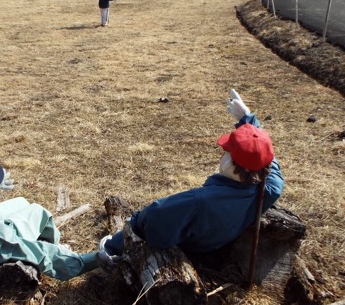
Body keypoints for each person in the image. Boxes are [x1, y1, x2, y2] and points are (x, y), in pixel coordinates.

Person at [99, 90, 284, 261]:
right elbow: (266, 158)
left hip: (192, 252)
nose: (222, 154)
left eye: (226, 152)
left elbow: (154, 219)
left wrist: (119, 239)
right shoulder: (270, 189)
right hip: (216, 246)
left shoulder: (198, 202)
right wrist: (248, 120)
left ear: (232, 165)